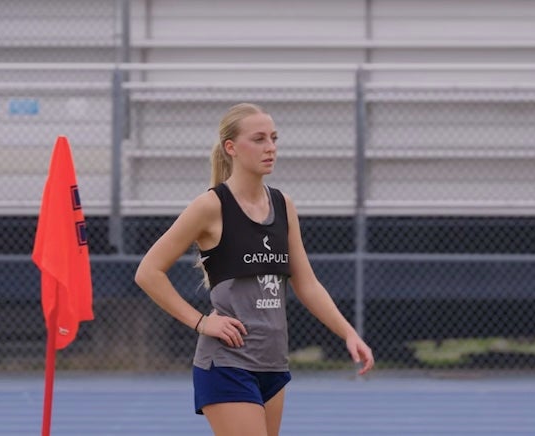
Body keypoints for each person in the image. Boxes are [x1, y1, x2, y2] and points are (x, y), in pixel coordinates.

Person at [134, 102, 374, 436]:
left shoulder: (282, 204)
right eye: (259, 139)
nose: (271, 147)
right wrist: (201, 322)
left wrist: (348, 332)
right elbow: (148, 272)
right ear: (231, 148)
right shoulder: (211, 206)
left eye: (274, 138)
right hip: (227, 364)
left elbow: (307, 283)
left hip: (273, 363)